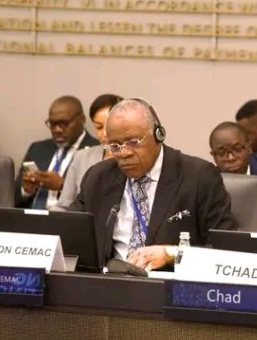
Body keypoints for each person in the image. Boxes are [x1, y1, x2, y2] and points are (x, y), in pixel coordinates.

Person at [71, 98, 236, 270]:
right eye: (115, 146)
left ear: (158, 135)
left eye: (133, 142)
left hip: (169, 282)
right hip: (109, 280)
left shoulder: (199, 177)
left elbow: (226, 249)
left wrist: (172, 254)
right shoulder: (98, 177)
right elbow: (69, 234)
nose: (124, 153)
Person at [17, 96, 99, 209]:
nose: (57, 130)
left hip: (66, 217)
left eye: (64, 123)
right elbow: (11, 196)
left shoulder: (96, 150)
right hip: (29, 216)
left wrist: (63, 186)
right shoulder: (37, 148)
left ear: (82, 119)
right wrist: (26, 190)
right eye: (52, 124)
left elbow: (96, 199)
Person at [57, 93, 122, 209]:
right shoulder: (81, 157)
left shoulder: (133, 158)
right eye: (99, 127)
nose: (105, 134)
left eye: (110, 125)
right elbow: (64, 205)